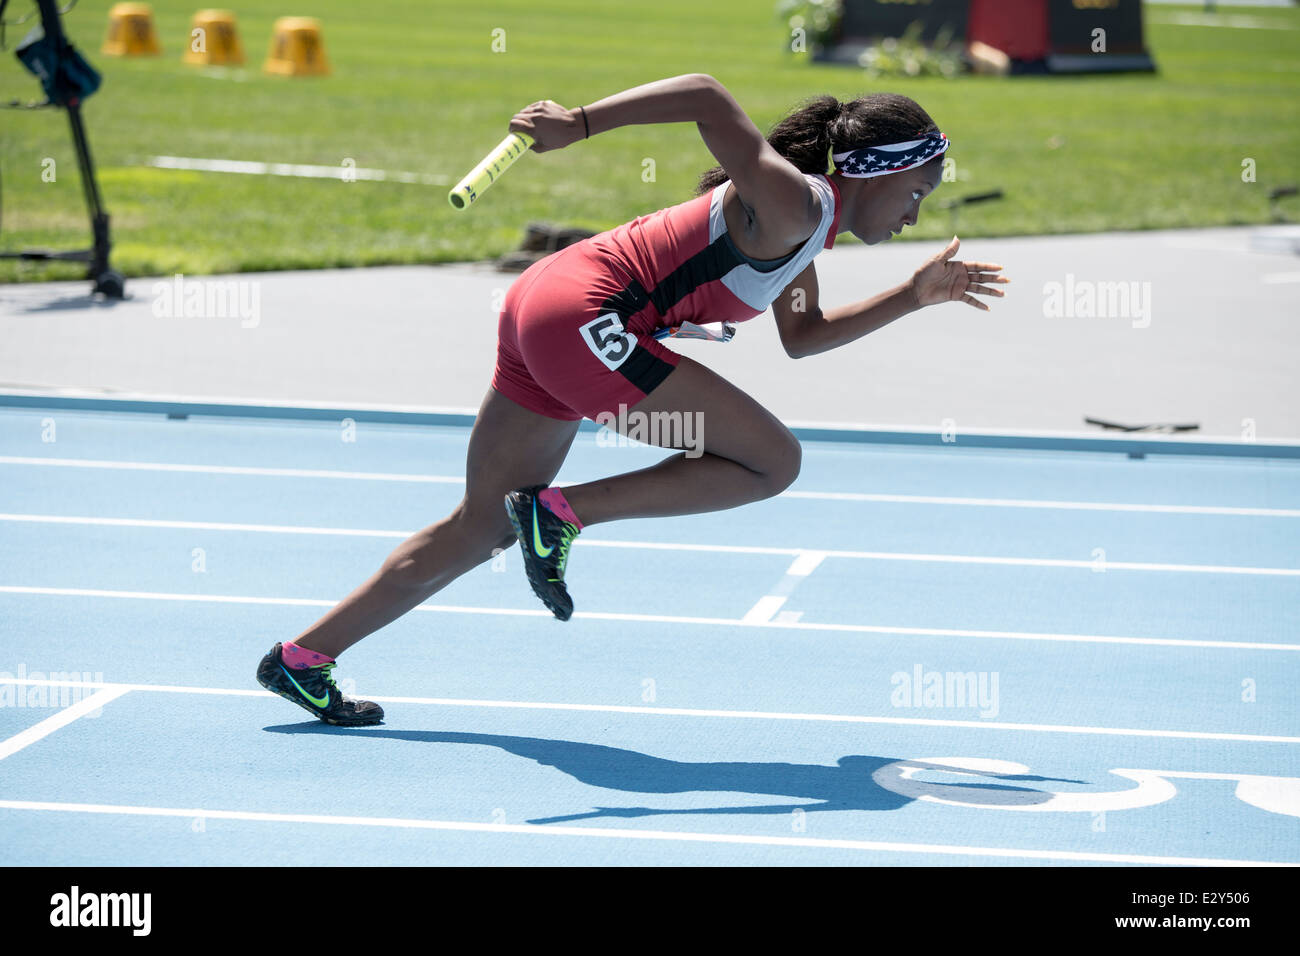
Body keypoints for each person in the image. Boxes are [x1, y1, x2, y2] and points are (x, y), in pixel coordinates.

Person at [256, 73, 1008, 725]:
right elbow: (706, 96)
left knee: (482, 524)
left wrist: (912, 297)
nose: (915, 214)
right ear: (873, 173)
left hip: (542, 309)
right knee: (772, 462)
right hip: (585, 319)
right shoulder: (797, 204)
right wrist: (577, 125)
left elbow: (803, 336)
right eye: (916, 192)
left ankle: (304, 656)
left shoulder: (804, 227)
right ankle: (563, 512)